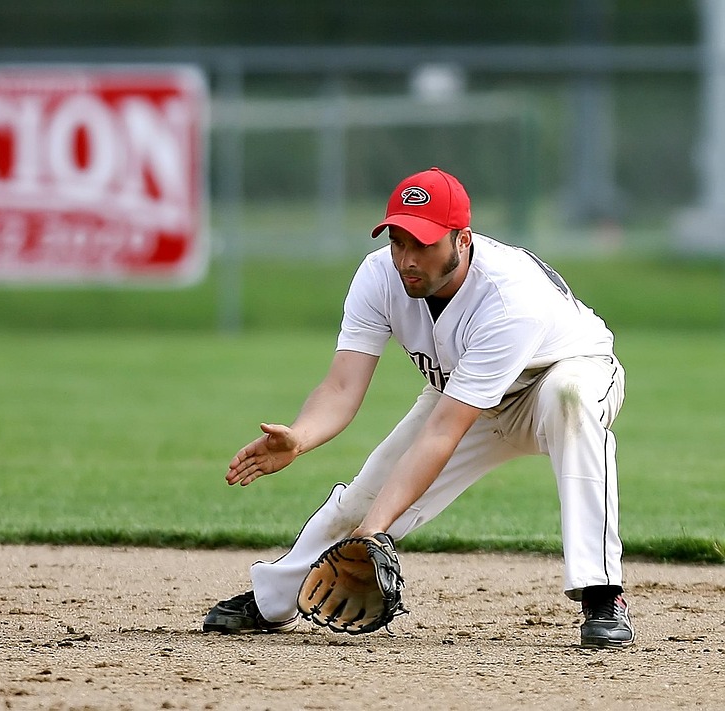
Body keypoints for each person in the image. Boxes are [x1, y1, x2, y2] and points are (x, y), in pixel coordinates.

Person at [201, 167, 633, 648]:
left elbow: (442, 434)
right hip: (462, 394)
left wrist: (374, 534)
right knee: (366, 496)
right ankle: (274, 599)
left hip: (559, 375)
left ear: (462, 240)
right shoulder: (378, 276)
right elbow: (343, 387)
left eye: (423, 244)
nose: (407, 258)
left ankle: (602, 592)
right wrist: (300, 437)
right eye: (399, 241)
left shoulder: (510, 300)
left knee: (568, 401)